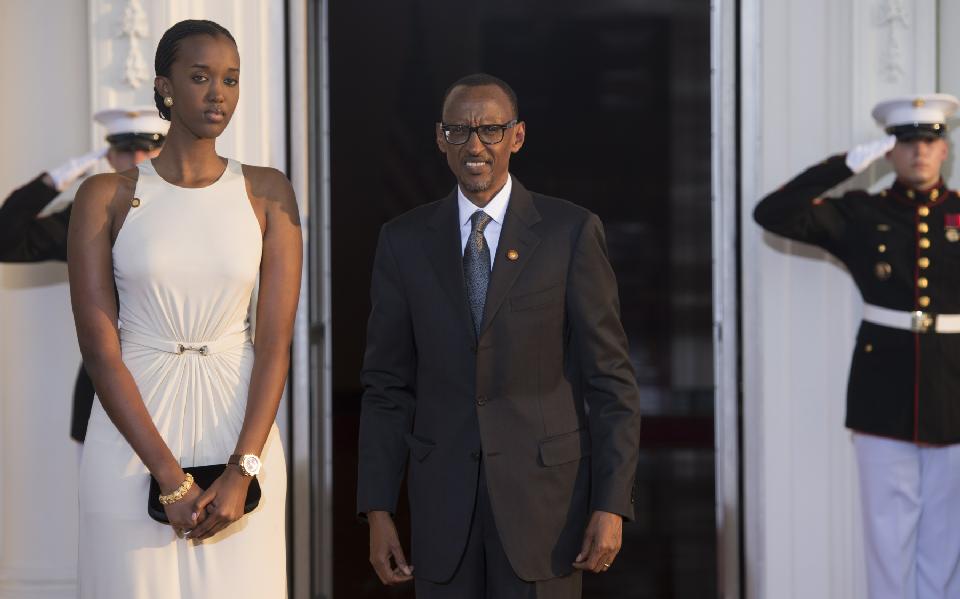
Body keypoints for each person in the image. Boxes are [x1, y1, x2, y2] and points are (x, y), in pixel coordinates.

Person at [357, 73, 642, 599]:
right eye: (460, 131)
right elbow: (385, 388)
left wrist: (611, 503)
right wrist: (378, 509)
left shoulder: (570, 232)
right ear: (440, 139)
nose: (476, 146)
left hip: (546, 514)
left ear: (518, 135)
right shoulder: (403, 242)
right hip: (442, 510)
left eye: (491, 130)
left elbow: (611, 381)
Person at [67, 19, 301, 597]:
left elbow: (274, 342)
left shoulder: (269, 192)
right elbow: (100, 351)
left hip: (240, 428)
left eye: (231, 79)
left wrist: (243, 468)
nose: (218, 93)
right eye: (200, 77)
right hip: (131, 437)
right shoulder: (106, 196)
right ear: (165, 86)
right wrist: (169, 480)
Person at [754, 94, 960, 599]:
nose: (919, 153)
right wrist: (844, 165)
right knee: (887, 536)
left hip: (955, 386)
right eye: (906, 142)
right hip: (883, 389)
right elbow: (773, 212)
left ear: (945, 148)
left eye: (930, 141)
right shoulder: (862, 213)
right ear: (889, 152)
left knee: (948, 539)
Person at [0, 106, 167, 442]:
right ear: (110, 157)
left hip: (174, 380)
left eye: (147, 147)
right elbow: (6, 241)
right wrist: (56, 179)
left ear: (164, 150)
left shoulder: (193, 209)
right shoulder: (88, 217)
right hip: (103, 390)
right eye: (123, 149)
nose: (136, 157)